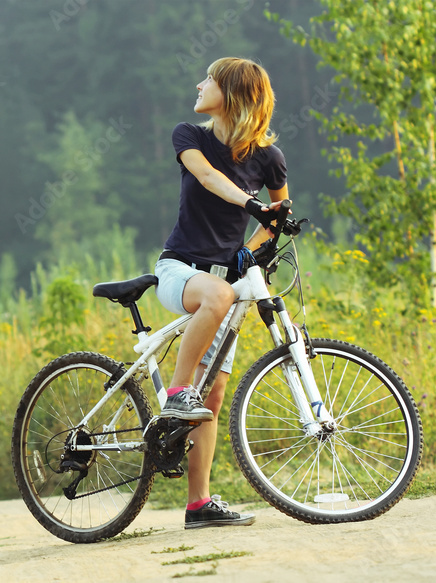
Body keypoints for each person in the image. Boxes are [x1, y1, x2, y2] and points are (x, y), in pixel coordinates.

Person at [153, 57, 288, 529]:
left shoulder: (269, 157)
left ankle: (198, 505)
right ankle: (175, 393)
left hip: (225, 284)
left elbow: (275, 221)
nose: (198, 83)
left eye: (208, 79)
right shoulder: (189, 136)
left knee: (213, 397)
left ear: (232, 94)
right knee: (215, 300)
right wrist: (252, 205)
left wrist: (250, 252)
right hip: (180, 271)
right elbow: (211, 179)